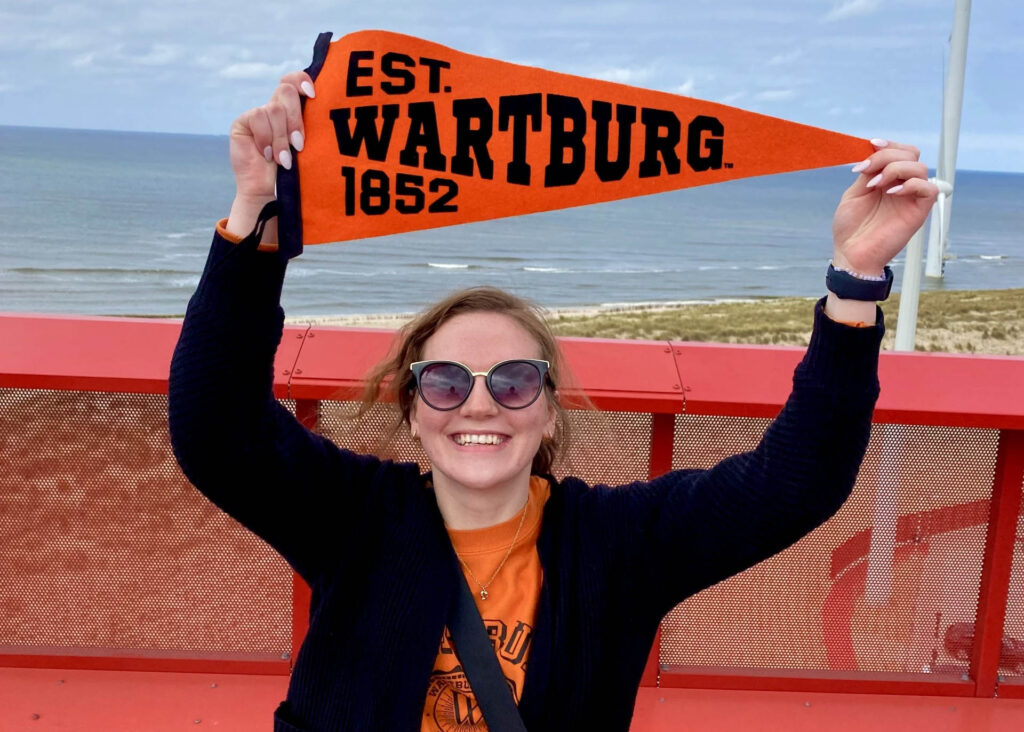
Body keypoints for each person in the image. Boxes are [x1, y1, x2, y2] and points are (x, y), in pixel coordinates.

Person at [168, 70, 938, 732]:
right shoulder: (354, 518)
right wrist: (259, 215)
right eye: (446, 382)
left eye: (512, 382)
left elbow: (794, 484)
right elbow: (216, 429)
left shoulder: (618, 544)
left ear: (545, 410)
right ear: (412, 408)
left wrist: (854, 278)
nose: (478, 406)